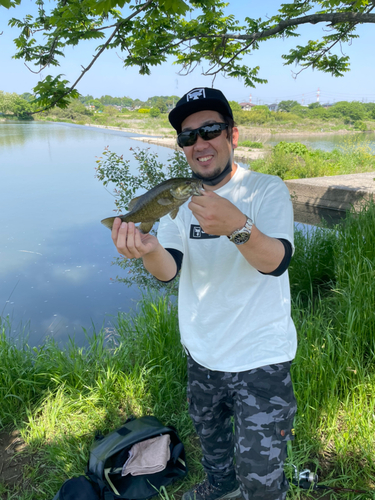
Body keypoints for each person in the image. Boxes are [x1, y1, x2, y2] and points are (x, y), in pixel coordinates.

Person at [111, 87, 297, 500]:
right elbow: (168, 270)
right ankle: (219, 489)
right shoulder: (180, 199)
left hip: (261, 359)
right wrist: (148, 250)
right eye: (187, 136)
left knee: (261, 476)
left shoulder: (266, 189)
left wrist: (237, 226)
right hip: (202, 352)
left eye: (210, 129)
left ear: (232, 135)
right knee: (214, 452)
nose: (200, 143)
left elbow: (275, 261)